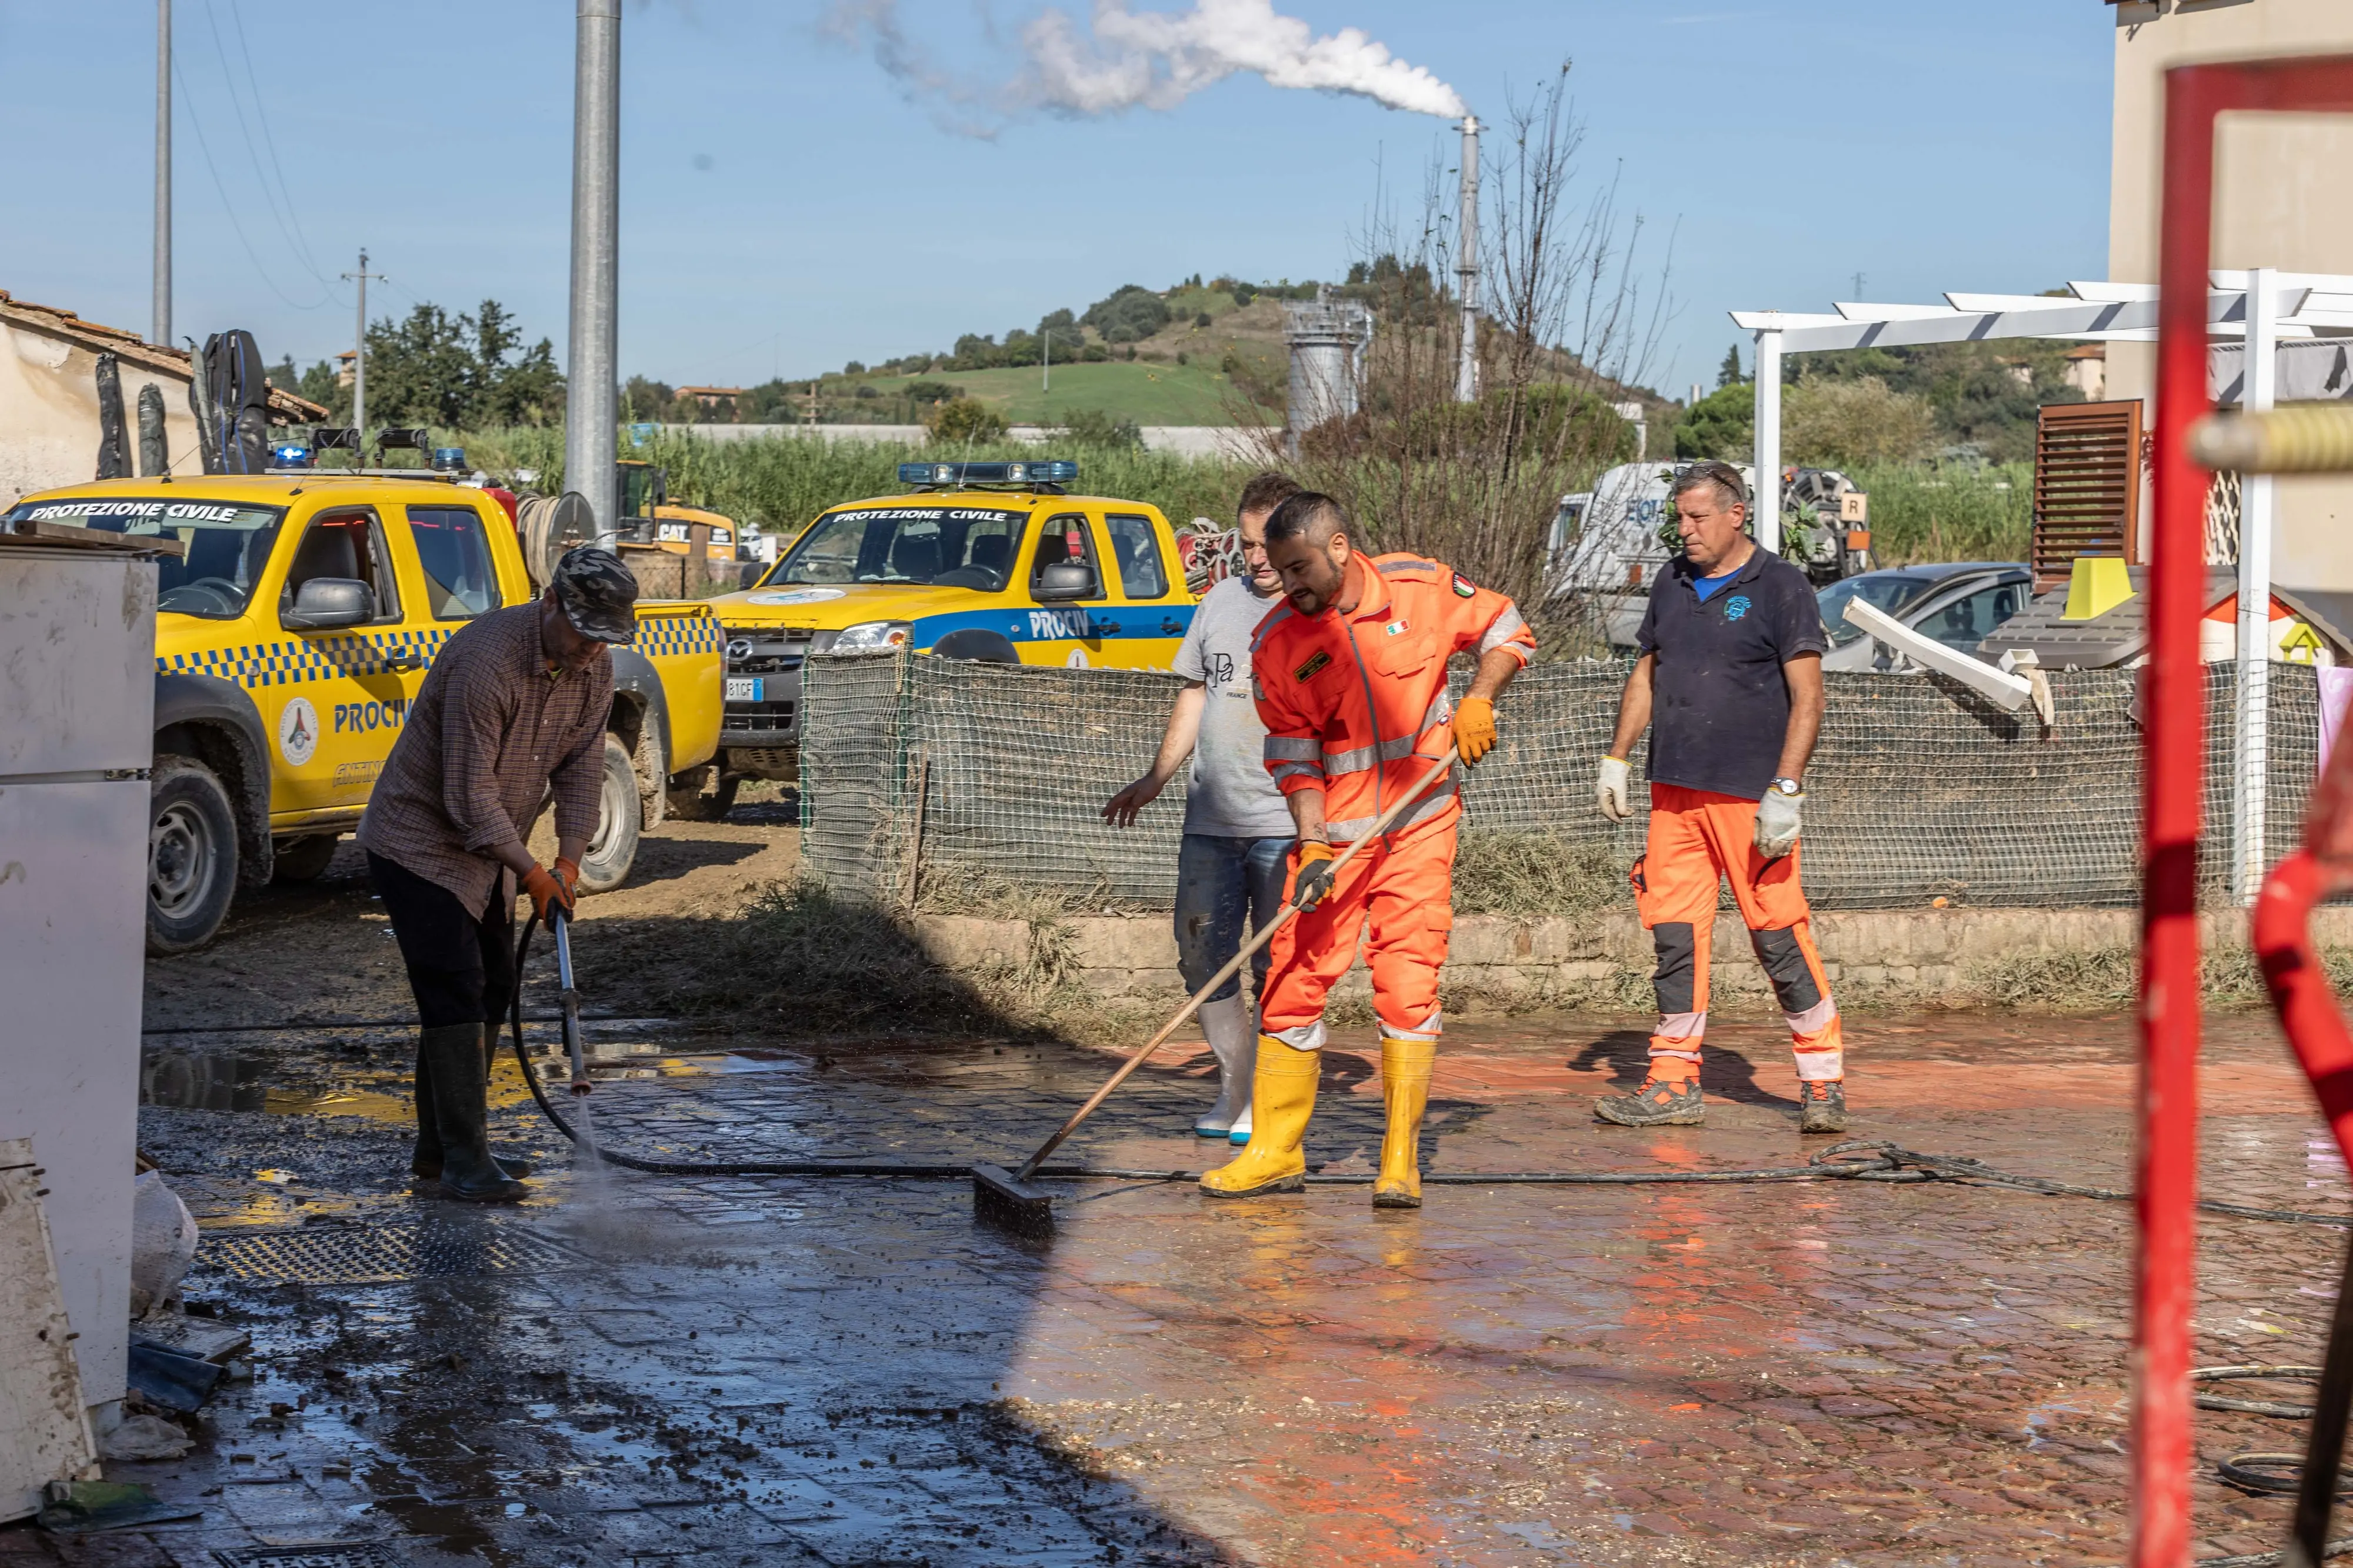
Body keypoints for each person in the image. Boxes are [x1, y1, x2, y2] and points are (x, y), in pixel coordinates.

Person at [1199, 493, 1534, 1208]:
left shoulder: (1422, 586)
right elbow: (1293, 760)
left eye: (1298, 568)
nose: (1287, 584)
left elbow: (1508, 629)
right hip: (1335, 842)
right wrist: (1314, 844)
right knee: (1291, 975)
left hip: (1421, 821)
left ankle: (1399, 1159)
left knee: (1408, 979)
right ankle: (1273, 1151)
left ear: (1341, 548)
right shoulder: (1279, 644)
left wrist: (1481, 697)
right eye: (1279, 569)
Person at [356, 546, 640, 1202]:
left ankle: (447, 1148)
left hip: (491, 851)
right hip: (420, 841)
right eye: (582, 633)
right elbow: (468, 798)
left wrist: (569, 858)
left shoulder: (591, 666)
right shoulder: (485, 662)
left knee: (495, 983)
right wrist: (533, 872)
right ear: (549, 605)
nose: (591, 651)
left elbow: (580, 766)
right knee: (453, 985)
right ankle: (462, 1158)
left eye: (604, 641)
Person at [1592, 460, 1846, 1133]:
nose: (1686, 529)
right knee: (1674, 937)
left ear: (1737, 514)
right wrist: (1617, 758)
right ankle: (1672, 1081)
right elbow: (1645, 674)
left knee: (1778, 937)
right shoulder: (1672, 584)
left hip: (1748, 796)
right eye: (1680, 516)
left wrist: (1785, 790)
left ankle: (1821, 1080)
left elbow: (1809, 699)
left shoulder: (1781, 586)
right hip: (1673, 793)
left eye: (1698, 516)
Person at [1103, 472, 1304, 1143]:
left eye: (1267, 542)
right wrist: (1156, 777)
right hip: (1212, 818)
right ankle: (1235, 1088)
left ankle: (1272, 1107)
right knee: (1199, 954)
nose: (1256, 557)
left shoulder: (1318, 611)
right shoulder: (1218, 602)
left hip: (1288, 821)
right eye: (1246, 543)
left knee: (1277, 964)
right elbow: (1195, 695)